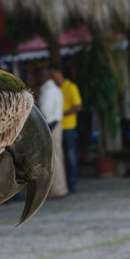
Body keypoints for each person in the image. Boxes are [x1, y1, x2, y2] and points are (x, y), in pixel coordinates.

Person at [37, 68, 68, 198]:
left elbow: (45, 110)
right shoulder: (56, 89)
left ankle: (57, 189)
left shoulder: (48, 91)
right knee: (57, 157)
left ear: (43, 77)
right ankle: (61, 187)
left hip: (51, 126)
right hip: (57, 125)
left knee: (53, 158)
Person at [50, 64, 81, 193]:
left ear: (59, 73)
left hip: (69, 126)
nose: (51, 78)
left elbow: (78, 107)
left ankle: (72, 182)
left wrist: (61, 113)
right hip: (59, 126)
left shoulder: (71, 87)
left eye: (53, 75)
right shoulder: (56, 89)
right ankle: (66, 183)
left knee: (70, 155)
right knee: (61, 156)